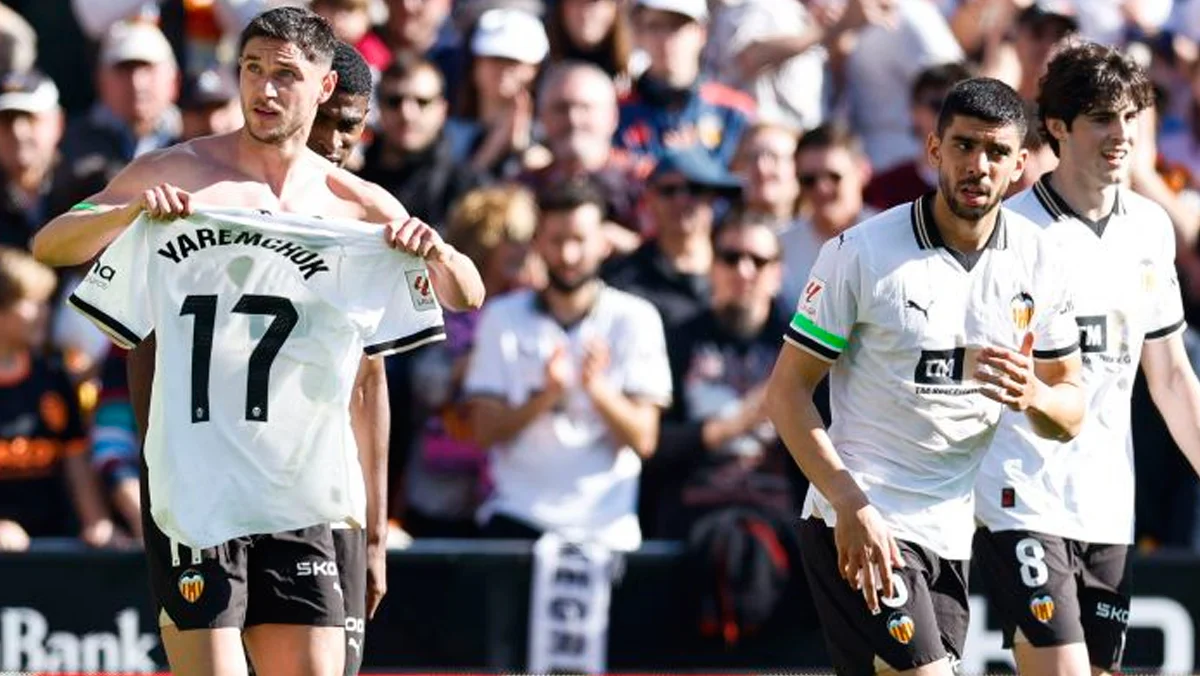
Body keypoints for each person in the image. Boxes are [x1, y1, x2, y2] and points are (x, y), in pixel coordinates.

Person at [32, 7, 484, 676]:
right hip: (196, 494)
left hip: (304, 495)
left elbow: (466, 294)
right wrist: (128, 213)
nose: (264, 90)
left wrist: (436, 250)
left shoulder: (355, 207)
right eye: (251, 69)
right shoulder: (180, 172)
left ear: (325, 86)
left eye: (284, 75)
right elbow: (51, 244)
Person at [764, 78, 1085, 676]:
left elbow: (1071, 412)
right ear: (935, 149)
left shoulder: (1041, 260)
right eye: (964, 146)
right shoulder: (860, 253)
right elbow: (786, 393)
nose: (978, 165)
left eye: (996, 152)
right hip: (861, 514)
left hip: (949, 530)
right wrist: (849, 502)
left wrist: (1035, 394)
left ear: (1020, 164)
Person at [974, 42, 1200, 676]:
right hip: (1019, 494)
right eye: (1102, 118)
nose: (1121, 135)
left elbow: (1171, 376)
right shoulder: (1007, 234)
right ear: (1057, 126)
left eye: (1130, 117)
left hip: (1107, 502)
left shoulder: (1150, 228)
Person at [465, 178, 672, 551]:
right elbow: (484, 431)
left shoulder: (636, 318)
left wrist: (597, 389)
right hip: (517, 517)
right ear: (537, 243)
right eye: (556, 240)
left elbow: (644, 439)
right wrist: (547, 396)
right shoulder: (502, 316)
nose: (568, 255)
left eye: (579, 240)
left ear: (604, 242)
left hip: (606, 529)